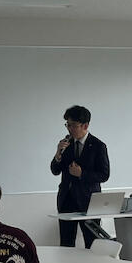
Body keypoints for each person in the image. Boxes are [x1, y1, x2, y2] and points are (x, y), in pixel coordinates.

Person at [50, 105, 111, 248]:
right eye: (67, 125)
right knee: (66, 244)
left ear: (85, 125)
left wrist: (82, 174)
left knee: (92, 244)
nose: (69, 129)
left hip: (89, 202)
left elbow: (104, 175)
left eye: (73, 125)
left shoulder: (98, 146)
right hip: (66, 201)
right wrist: (58, 153)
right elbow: (55, 170)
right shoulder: (66, 144)